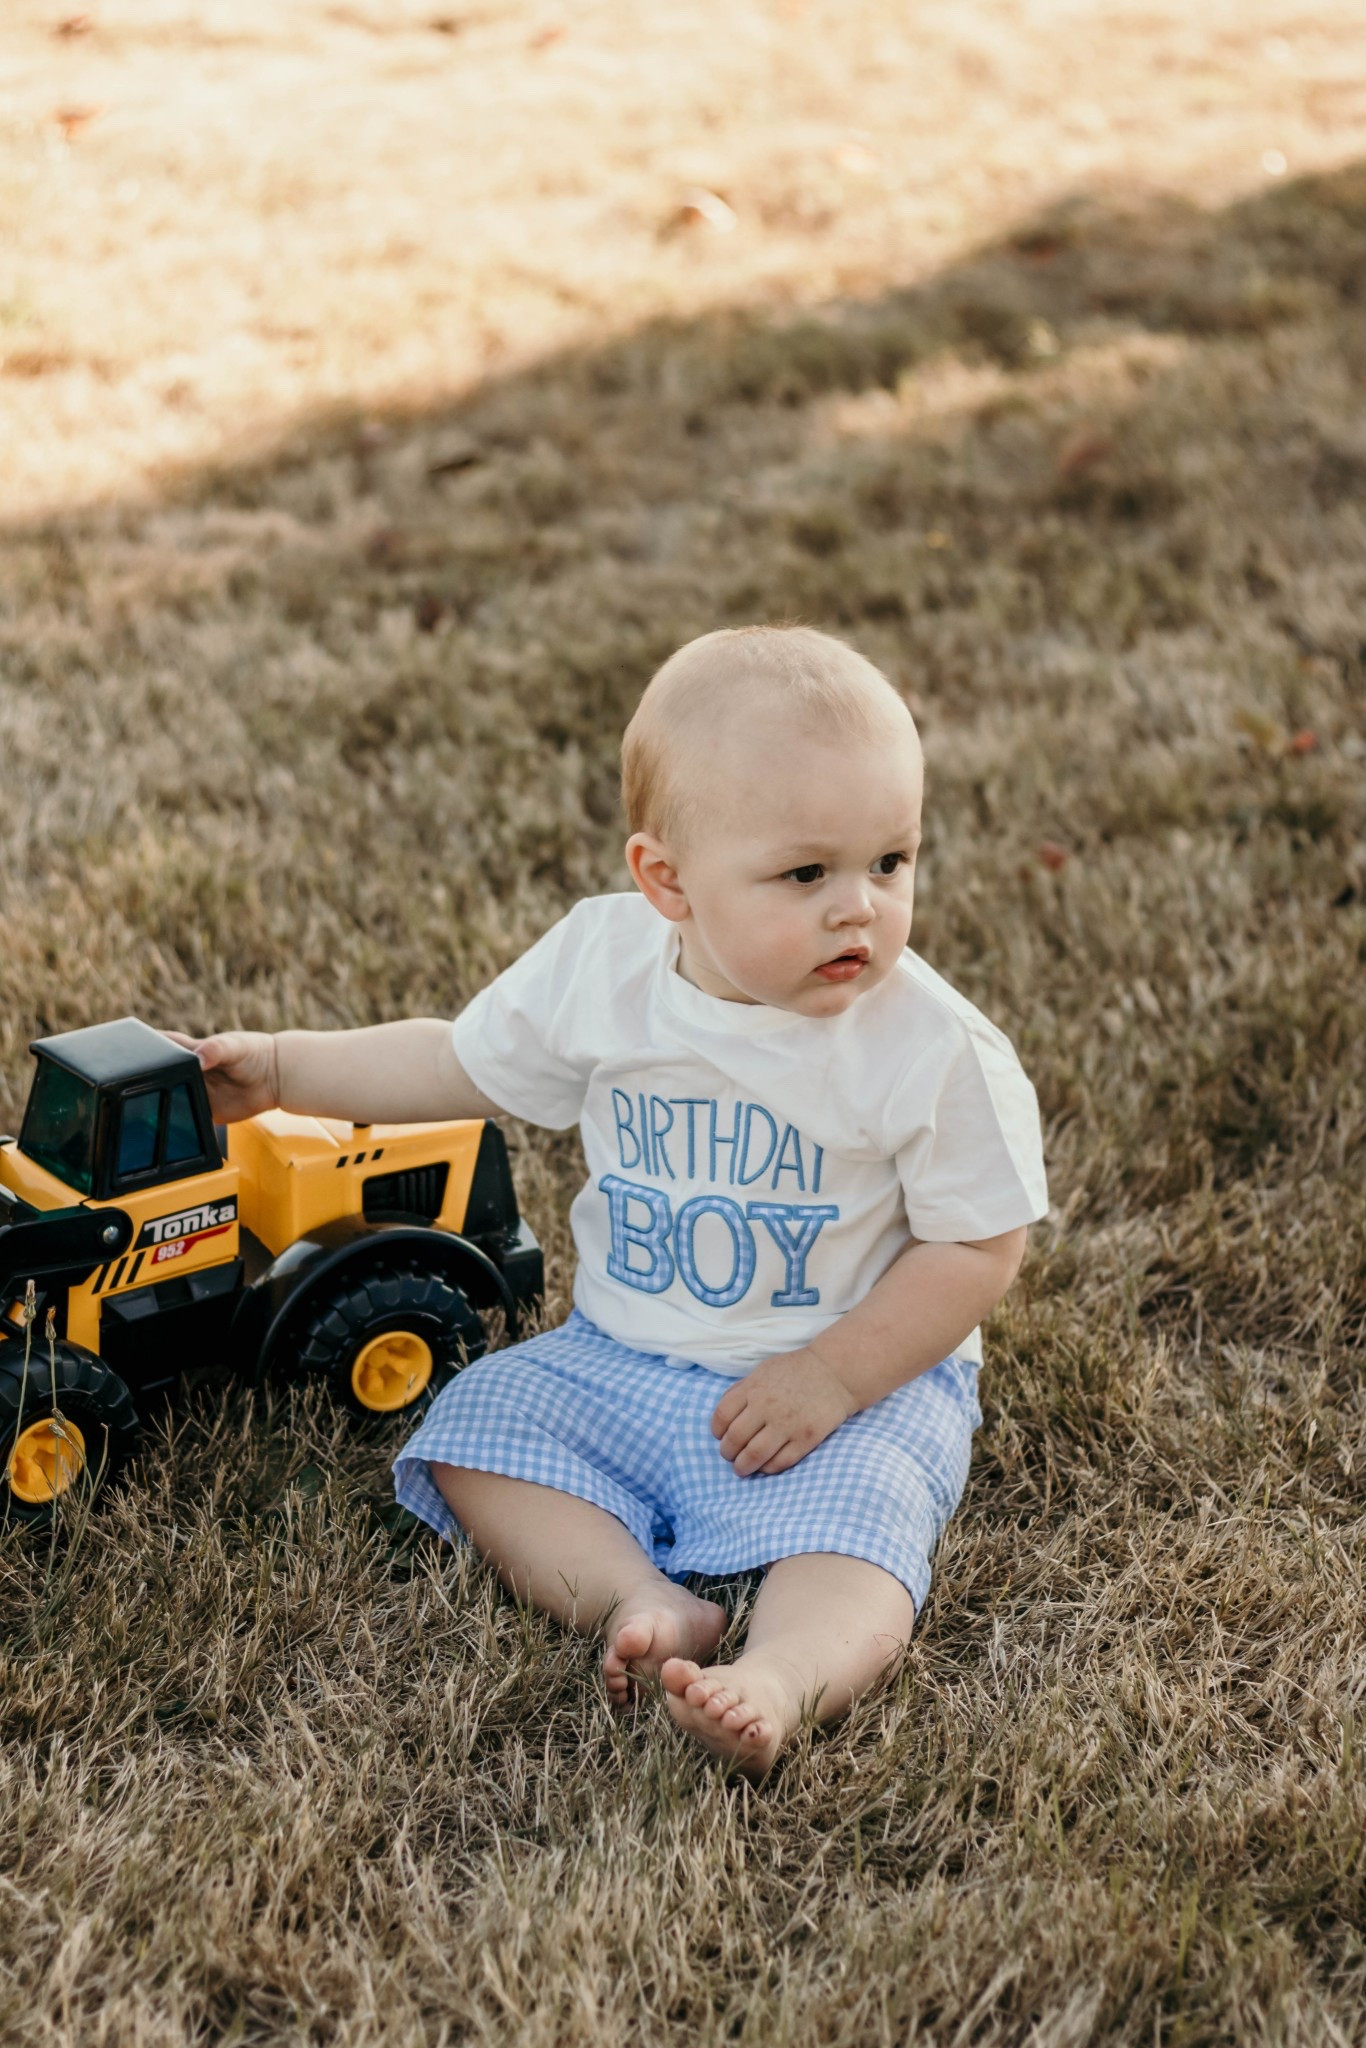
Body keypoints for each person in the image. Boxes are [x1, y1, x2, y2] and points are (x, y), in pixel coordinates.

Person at [182, 625, 1047, 1776]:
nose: (861, 909)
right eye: (806, 872)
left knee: (863, 1535)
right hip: (623, 1356)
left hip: (842, 1379)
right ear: (666, 882)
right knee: (477, 1433)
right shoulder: (606, 968)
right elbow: (460, 1066)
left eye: (891, 860)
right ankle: (641, 1602)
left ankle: (779, 1675)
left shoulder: (928, 1046)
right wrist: (288, 1069)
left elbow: (979, 1243)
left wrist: (835, 1375)